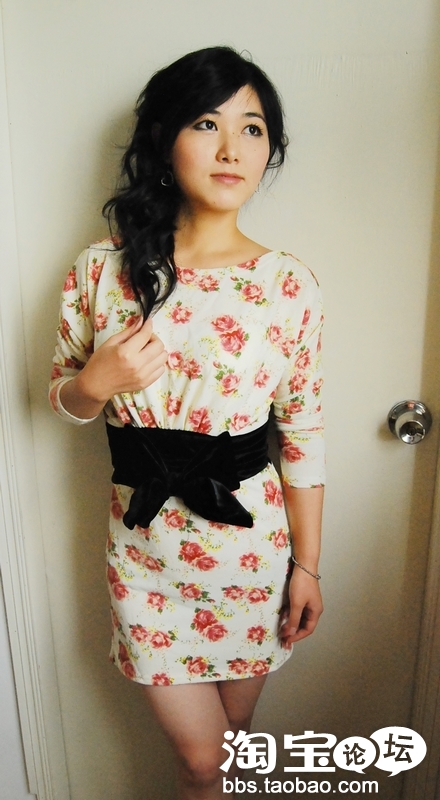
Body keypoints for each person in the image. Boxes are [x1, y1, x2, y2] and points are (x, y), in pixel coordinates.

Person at [49, 46, 325, 800]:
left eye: (252, 128)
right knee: (205, 759)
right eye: (207, 123)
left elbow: (302, 433)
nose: (232, 148)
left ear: (269, 150)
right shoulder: (101, 270)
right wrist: (94, 384)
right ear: (165, 139)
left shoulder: (288, 284)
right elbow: (62, 402)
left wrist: (307, 567)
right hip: (144, 552)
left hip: (250, 551)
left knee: (228, 754)